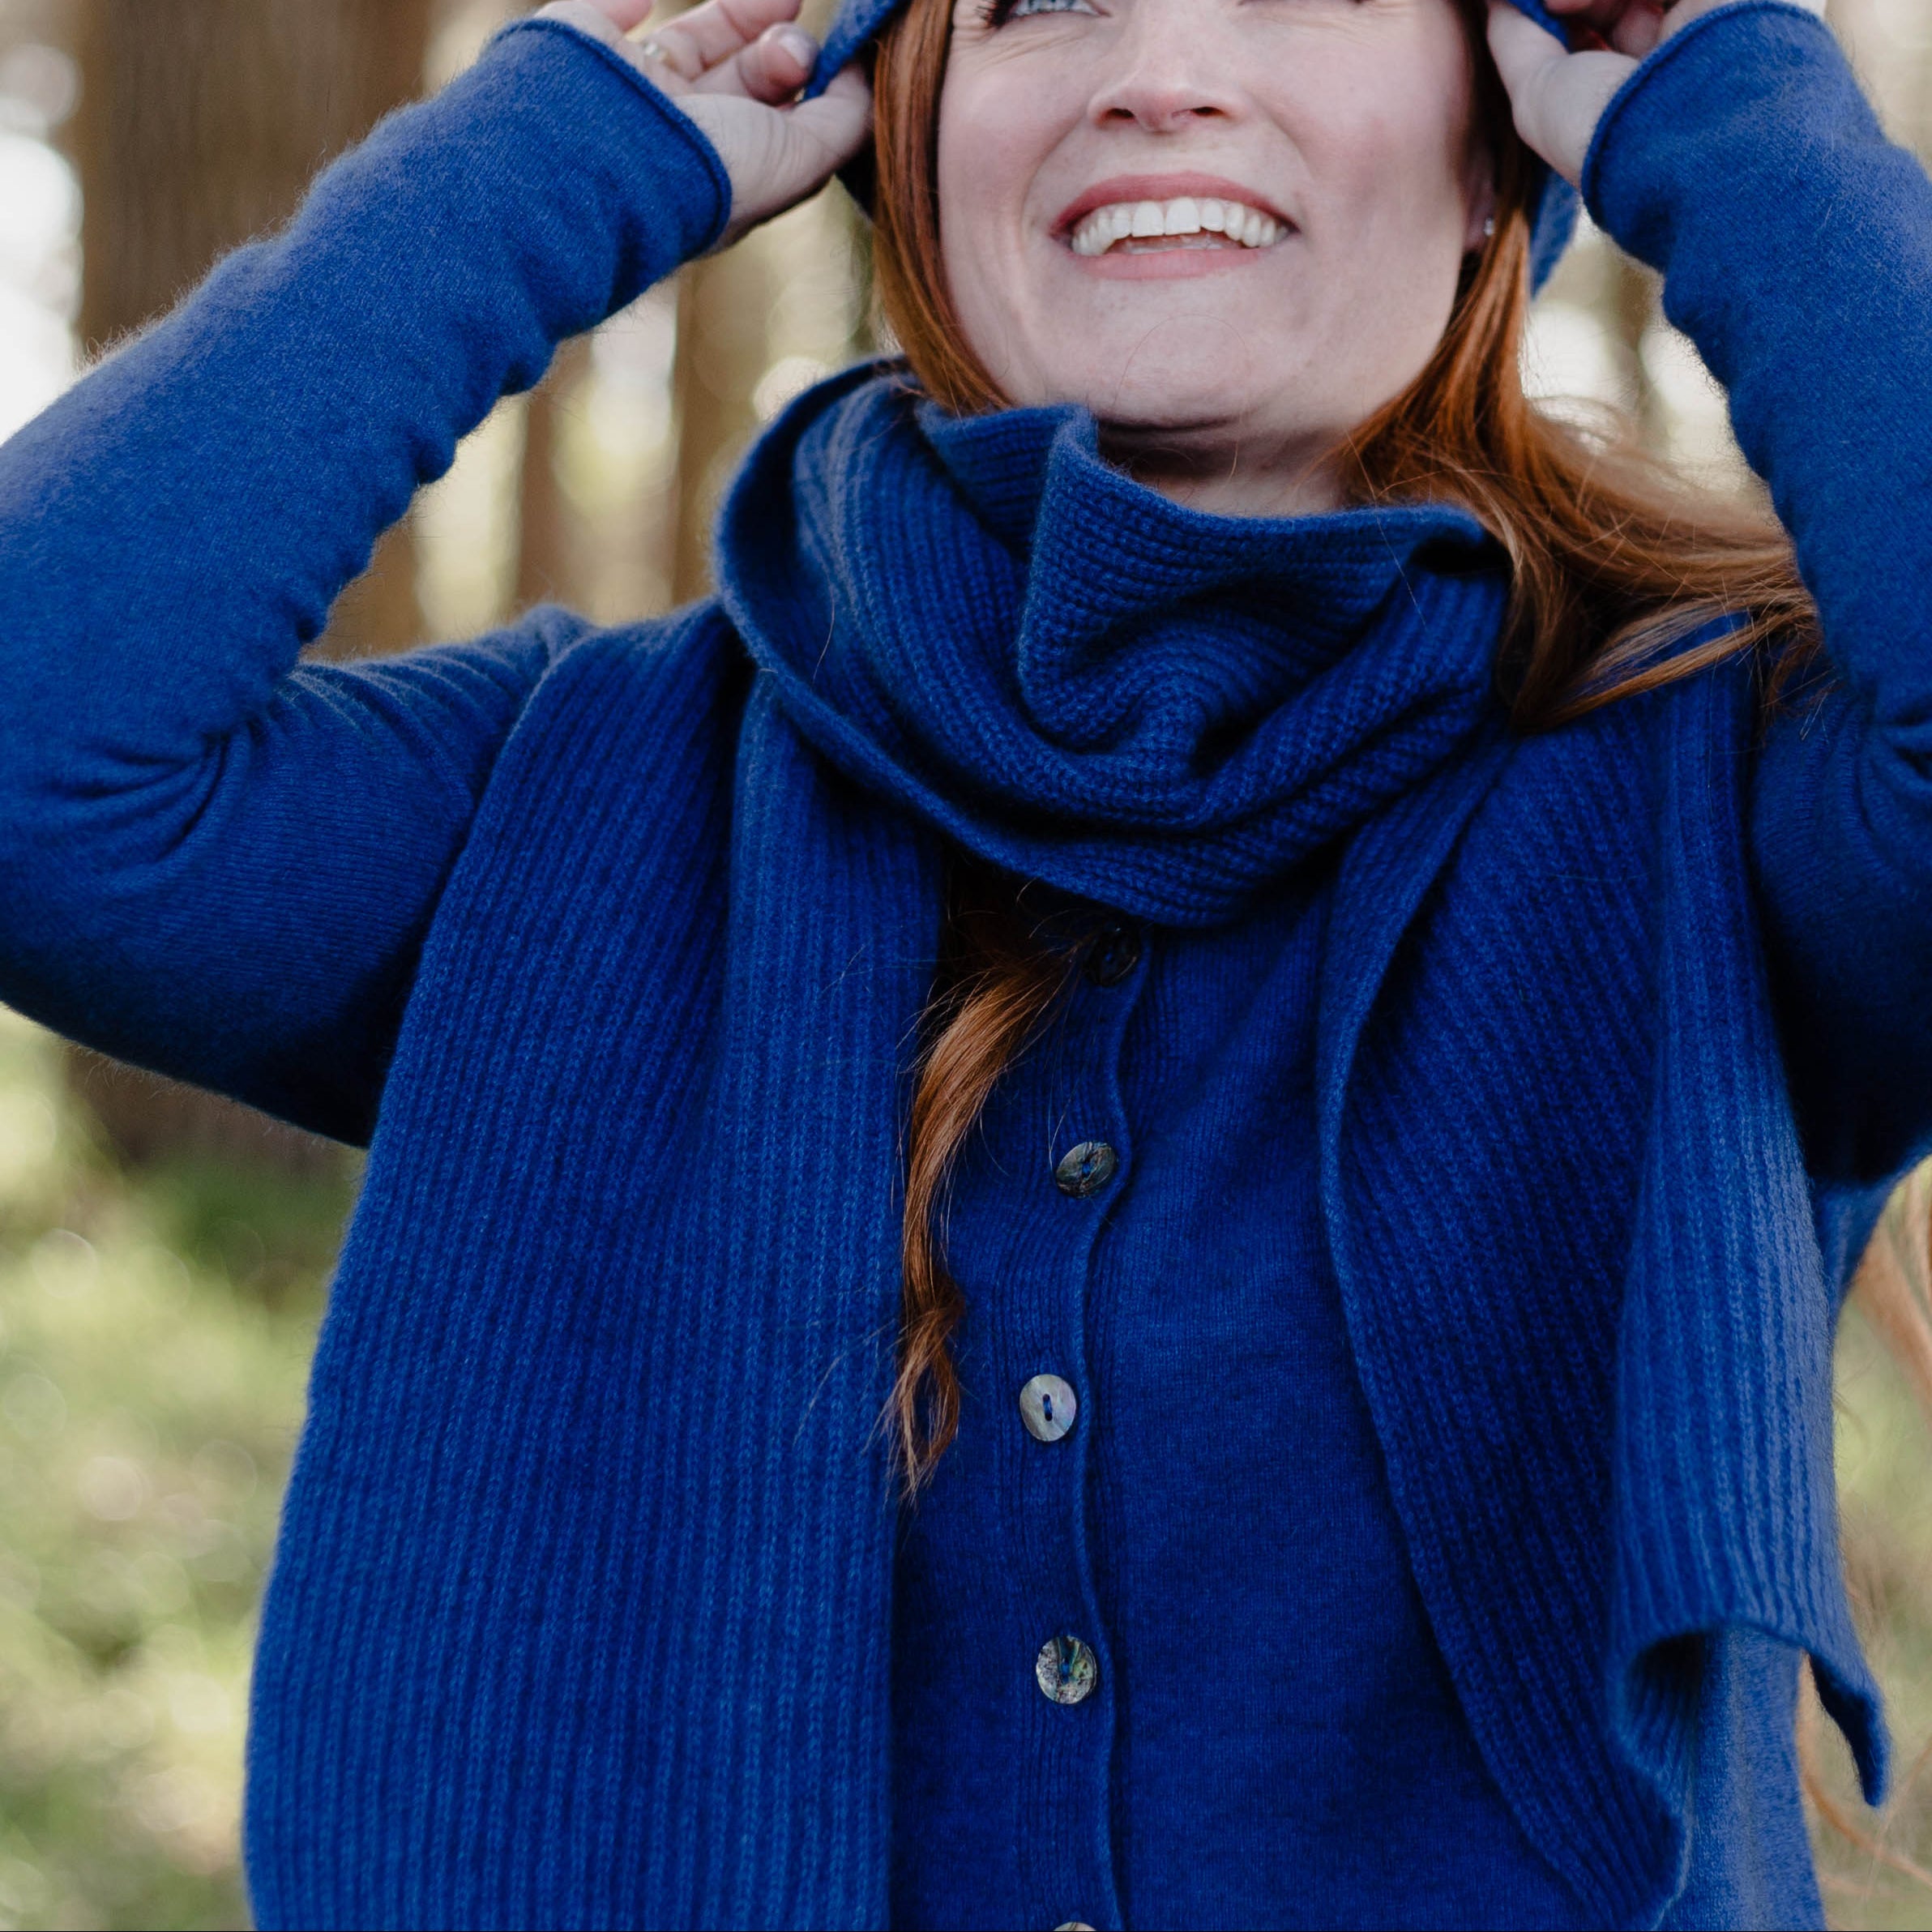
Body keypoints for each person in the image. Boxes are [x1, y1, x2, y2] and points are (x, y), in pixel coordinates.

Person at [0, 0, 1924, 1920]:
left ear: (1502, 135)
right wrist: (567, 156)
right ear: (895, 147)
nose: (1155, 67)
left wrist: (1730, 113)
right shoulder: (573, 799)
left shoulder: (1725, 795)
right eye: (1032, 2)